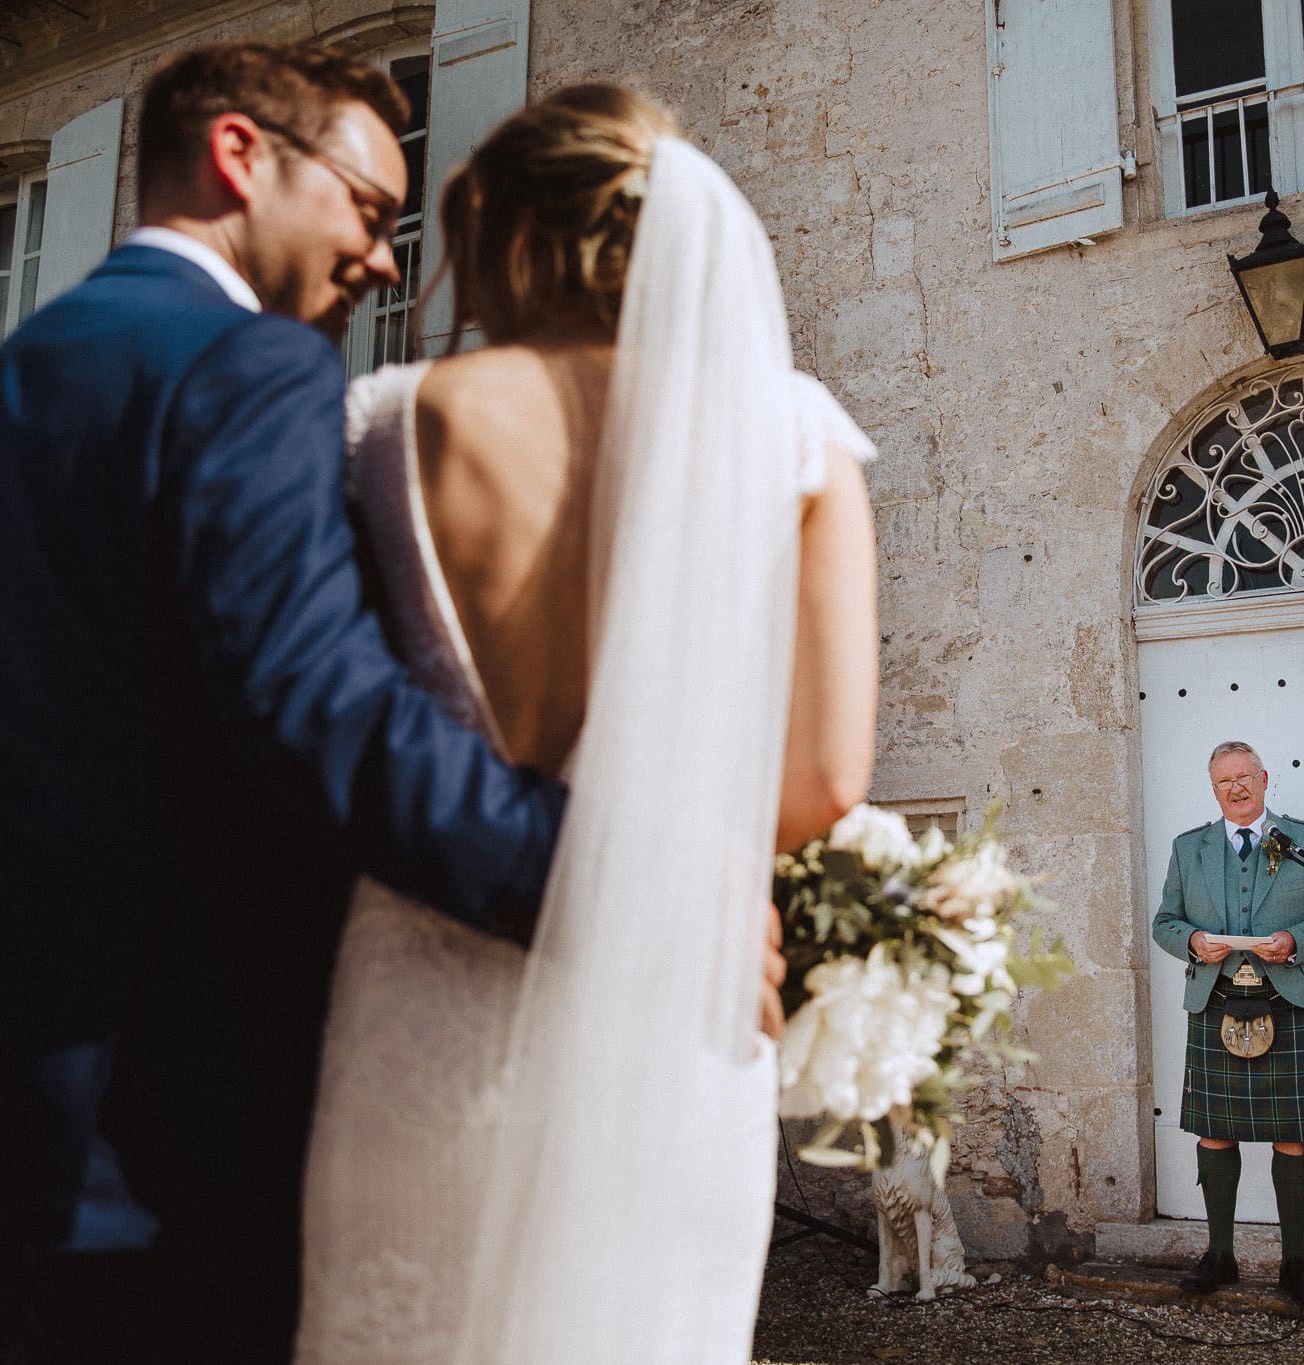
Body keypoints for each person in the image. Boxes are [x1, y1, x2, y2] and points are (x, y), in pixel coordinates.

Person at [0, 42, 574, 1363]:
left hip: (7, 1115)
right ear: (242, 155)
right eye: (368, 207)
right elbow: (319, 707)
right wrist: (597, 869)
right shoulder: (247, 367)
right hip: (181, 1103)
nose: (388, 256)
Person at [293, 85, 878, 1363]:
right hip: (683, 1005)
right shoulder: (794, 435)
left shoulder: (385, 421)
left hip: (426, 1015)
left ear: (504, 236)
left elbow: (331, 724)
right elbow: (825, 778)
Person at [1150, 739, 1304, 1315]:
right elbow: (1164, 922)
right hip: (1216, 1002)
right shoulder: (1190, 849)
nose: (1235, 788)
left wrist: (1294, 943)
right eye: (1222, 782)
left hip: (1287, 1000)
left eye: (1244, 777)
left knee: (1292, 1132)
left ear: (1265, 779)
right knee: (1215, 1129)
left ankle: (1294, 1262)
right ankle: (1219, 1255)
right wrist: (1190, 941)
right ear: (1213, 789)